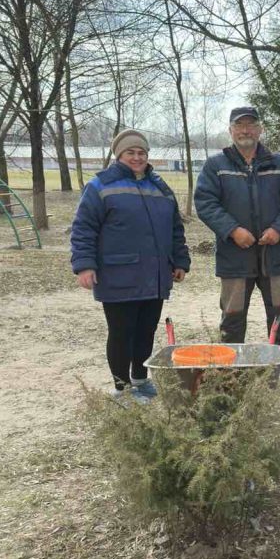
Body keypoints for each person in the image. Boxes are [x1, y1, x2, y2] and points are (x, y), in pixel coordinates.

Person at [70, 129, 190, 402]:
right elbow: (83, 228)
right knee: (122, 333)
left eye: (141, 153)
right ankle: (121, 388)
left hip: (155, 275)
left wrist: (180, 261)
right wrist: (84, 265)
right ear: (118, 155)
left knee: (146, 331)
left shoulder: (160, 188)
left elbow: (175, 229)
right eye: (130, 153)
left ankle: (140, 379)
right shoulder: (100, 186)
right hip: (118, 275)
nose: (137, 158)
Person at [194, 105, 280, 384]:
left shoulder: (279, 164)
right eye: (239, 125)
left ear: (260, 129)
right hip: (235, 255)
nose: (245, 130)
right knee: (232, 314)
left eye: (250, 125)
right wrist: (232, 230)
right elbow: (205, 202)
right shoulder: (216, 166)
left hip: (274, 254)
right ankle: (229, 366)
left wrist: (278, 230)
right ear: (231, 130)